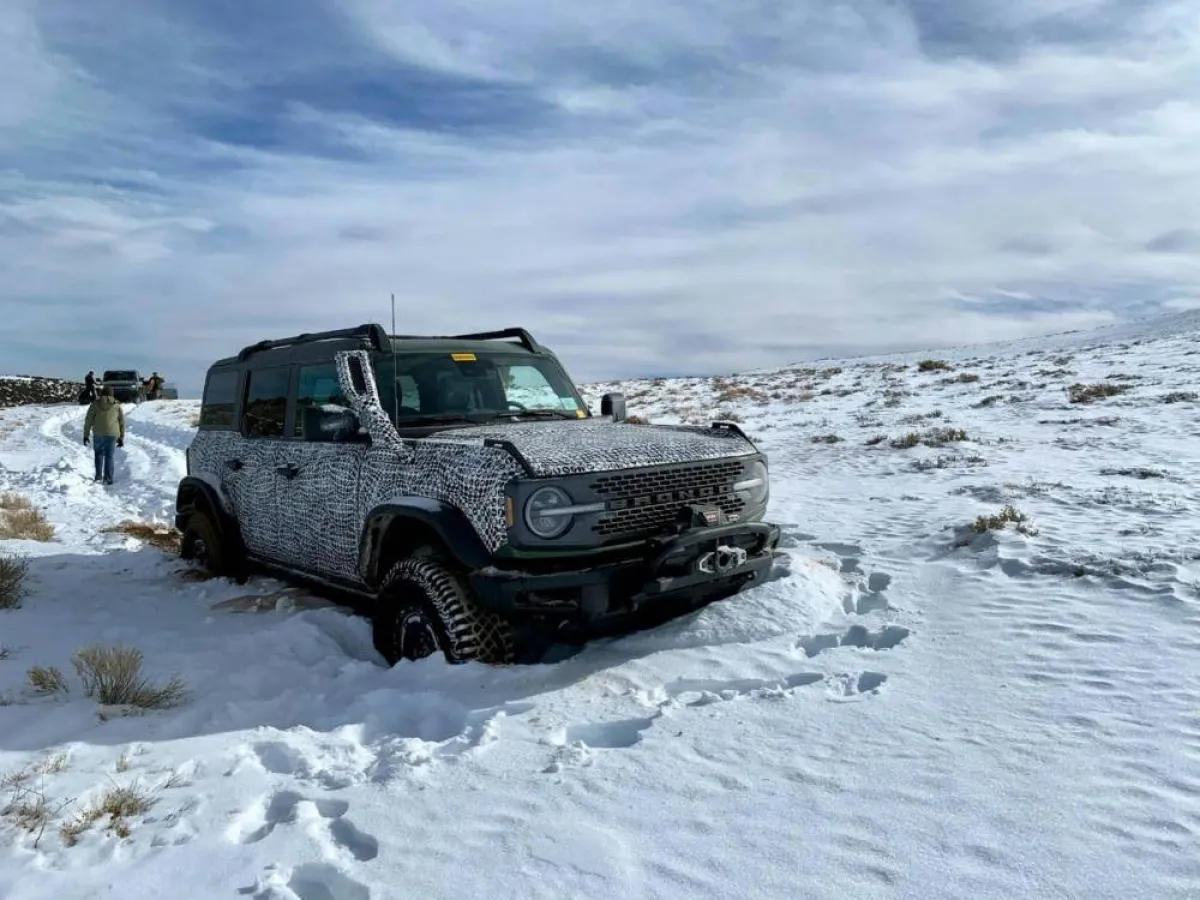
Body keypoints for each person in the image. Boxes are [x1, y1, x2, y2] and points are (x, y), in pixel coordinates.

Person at [83, 386, 125, 485]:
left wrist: (86, 435)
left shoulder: (95, 404)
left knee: (98, 454)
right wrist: (121, 437)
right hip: (112, 434)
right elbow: (122, 422)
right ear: (112, 394)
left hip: (98, 433)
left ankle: (98, 476)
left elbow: (88, 420)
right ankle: (108, 479)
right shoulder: (117, 405)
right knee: (109, 456)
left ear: (101, 393)